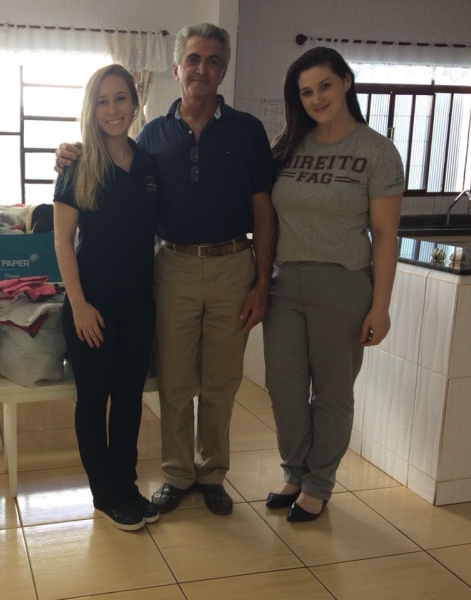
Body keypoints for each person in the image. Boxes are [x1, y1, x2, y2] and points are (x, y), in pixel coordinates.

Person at [57, 24, 276, 516]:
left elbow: (264, 210)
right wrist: (70, 152)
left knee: (220, 382)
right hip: (172, 267)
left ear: (223, 69)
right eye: (193, 59)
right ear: (176, 68)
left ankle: (211, 473)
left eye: (213, 60)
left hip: (231, 266)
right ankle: (177, 474)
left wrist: (262, 282)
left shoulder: (246, 131)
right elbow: (95, 188)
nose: (202, 69)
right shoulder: (152, 135)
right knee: (174, 383)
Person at [263, 47, 404, 522]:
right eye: (306, 92)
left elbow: (385, 235)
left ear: (346, 81)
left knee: (332, 393)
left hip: (343, 285)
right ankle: (294, 470)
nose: (316, 98)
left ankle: (318, 483)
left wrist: (380, 306)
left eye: (324, 85)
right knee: (283, 388)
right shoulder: (287, 146)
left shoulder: (377, 151)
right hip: (285, 284)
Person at [54, 64, 160, 531]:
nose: (112, 109)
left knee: (130, 400)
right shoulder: (77, 165)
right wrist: (78, 305)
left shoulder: (149, 165)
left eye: (120, 99)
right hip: (91, 305)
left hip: (138, 305)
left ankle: (127, 485)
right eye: (102, 101)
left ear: (135, 103)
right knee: (94, 400)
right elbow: (62, 241)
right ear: (91, 109)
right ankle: (105, 493)